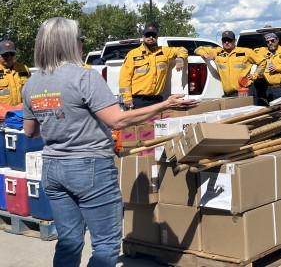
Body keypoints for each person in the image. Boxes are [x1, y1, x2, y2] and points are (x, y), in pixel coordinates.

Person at [21, 17, 197, 267]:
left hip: (53, 168)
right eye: (80, 39)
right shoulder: (85, 77)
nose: (82, 43)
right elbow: (117, 121)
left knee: (69, 240)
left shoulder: (32, 84)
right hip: (89, 167)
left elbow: (30, 131)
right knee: (105, 244)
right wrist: (166, 104)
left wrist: (56, 119)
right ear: (71, 43)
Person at [119, 26, 187, 109]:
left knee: (158, 122)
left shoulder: (164, 51)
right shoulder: (133, 54)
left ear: (156, 37)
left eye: (153, 35)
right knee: (141, 122)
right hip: (139, 101)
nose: (151, 38)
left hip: (157, 99)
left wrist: (180, 58)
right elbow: (125, 78)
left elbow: (182, 50)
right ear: (143, 37)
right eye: (148, 35)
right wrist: (127, 98)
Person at [195, 30, 263, 99]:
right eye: (224, 40)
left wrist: (255, 76)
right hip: (228, 95)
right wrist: (205, 55)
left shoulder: (246, 52)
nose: (226, 42)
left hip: (244, 91)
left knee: (248, 110)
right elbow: (198, 49)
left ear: (234, 41)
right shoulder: (217, 52)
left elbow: (262, 61)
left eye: (229, 40)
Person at [255, 32, 281, 102]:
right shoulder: (262, 52)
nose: (270, 43)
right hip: (270, 89)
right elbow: (248, 54)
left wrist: (278, 68)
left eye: (272, 40)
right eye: (267, 42)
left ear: (277, 40)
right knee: (273, 112)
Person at [0, 40, 30, 106]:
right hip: (2, 114)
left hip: (22, 113)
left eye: (12, 54)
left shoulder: (24, 68)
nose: (9, 57)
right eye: (5, 55)